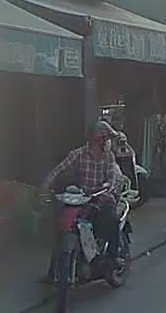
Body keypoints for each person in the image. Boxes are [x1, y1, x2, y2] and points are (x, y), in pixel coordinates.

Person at [39, 120, 125, 281]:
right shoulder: (77, 154)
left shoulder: (109, 157)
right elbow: (60, 169)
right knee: (61, 229)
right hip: (81, 199)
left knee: (112, 220)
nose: (108, 142)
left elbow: (113, 176)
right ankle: (52, 273)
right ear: (98, 140)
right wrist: (46, 183)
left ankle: (113, 257)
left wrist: (108, 187)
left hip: (102, 197)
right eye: (106, 139)